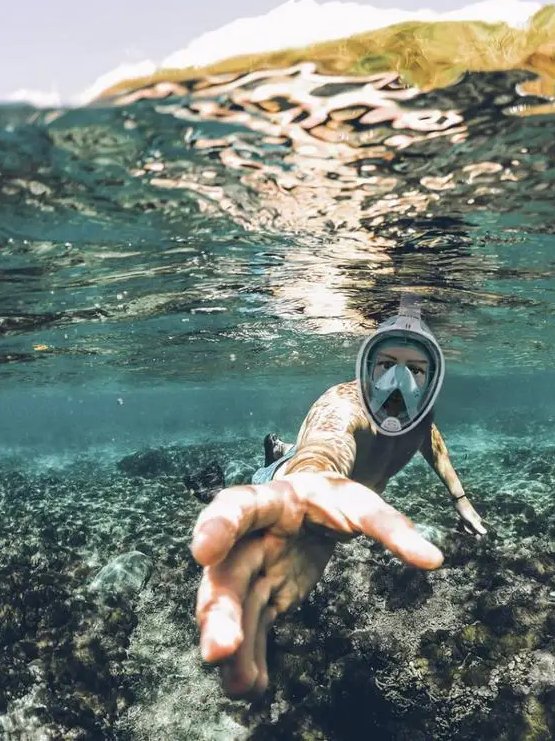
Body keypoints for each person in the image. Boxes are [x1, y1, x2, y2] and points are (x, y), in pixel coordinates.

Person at [190, 295, 487, 699]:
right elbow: (326, 446)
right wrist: (307, 480)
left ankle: (281, 452)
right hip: (292, 486)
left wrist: (460, 500)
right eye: (386, 366)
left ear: (432, 380)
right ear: (366, 368)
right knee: (242, 501)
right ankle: (248, 472)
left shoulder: (421, 413)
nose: (398, 383)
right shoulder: (343, 406)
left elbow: (430, 441)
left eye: (415, 370)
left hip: (339, 505)